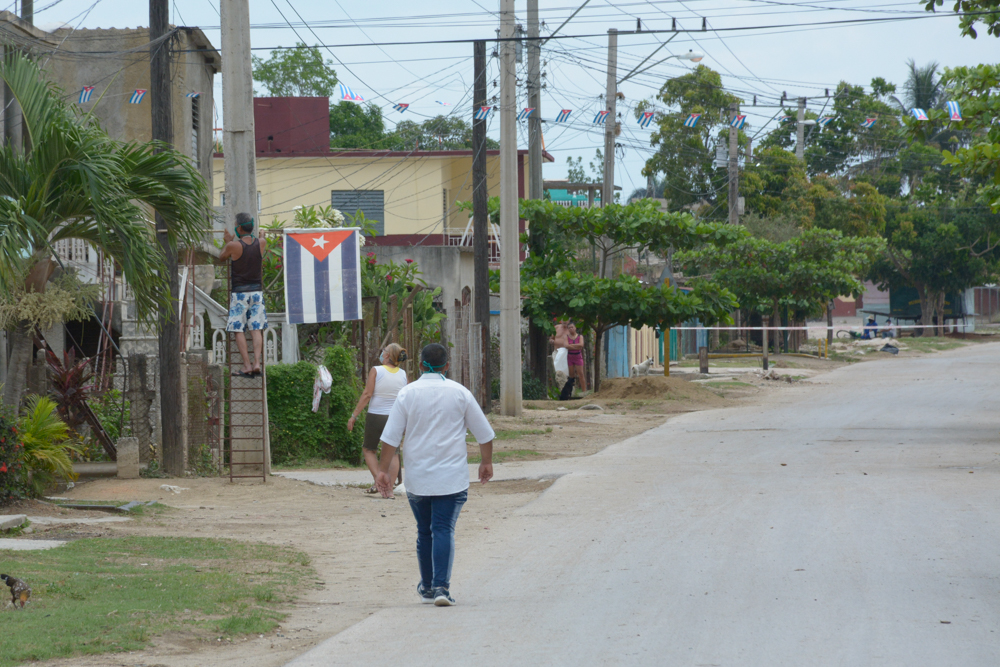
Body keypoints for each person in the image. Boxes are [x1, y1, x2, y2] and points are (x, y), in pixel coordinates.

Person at [375, 343, 495, 607]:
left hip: (418, 478)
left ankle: (428, 587)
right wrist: (486, 462)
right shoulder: (460, 393)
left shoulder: (407, 394)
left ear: (419, 366)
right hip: (451, 477)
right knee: (443, 529)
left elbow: (390, 439)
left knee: (424, 531)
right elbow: (484, 434)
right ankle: (441, 587)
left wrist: (383, 471)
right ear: (447, 366)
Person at [348, 344, 407, 497]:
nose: (382, 353)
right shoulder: (403, 374)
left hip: (376, 416)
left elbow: (367, 394)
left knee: (369, 449)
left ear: (387, 355)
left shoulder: (376, 370)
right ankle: (389, 489)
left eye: (384, 351)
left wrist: (354, 415)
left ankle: (379, 482)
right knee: (393, 453)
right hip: (395, 417)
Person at [219, 213, 268, 378]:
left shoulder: (234, 245)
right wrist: (262, 235)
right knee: (256, 328)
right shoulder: (261, 243)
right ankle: (257, 364)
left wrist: (228, 241)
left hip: (240, 293)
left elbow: (221, 257)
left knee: (237, 328)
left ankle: (246, 365)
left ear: (238, 228)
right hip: (257, 292)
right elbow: (261, 239)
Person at [566, 321, 586, 394]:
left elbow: (581, 345)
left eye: (572, 327)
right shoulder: (567, 337)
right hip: (570, 357)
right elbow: (566, 346)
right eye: (569, 328)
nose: (571, 329)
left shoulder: (580, 337)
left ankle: (584, 391)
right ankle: (571, 392)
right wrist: (576, 346)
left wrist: (571, 346)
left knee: (581, 374)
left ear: (575, 328)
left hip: (578, 356)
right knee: (571, 375)